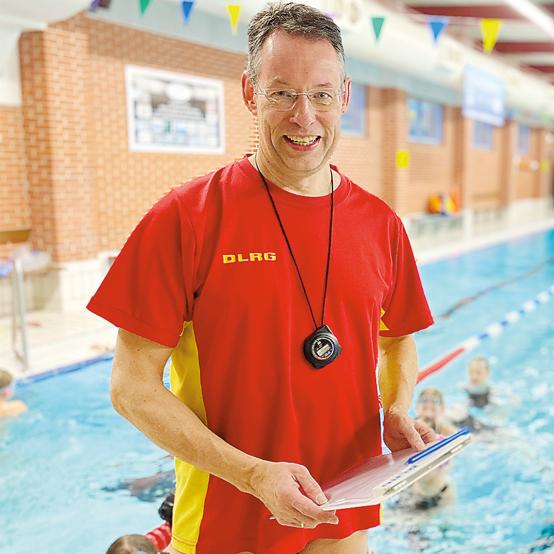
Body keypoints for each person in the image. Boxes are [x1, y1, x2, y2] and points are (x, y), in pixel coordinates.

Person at [87, 3, 436, 553]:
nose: (305, 116)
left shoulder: (380, 225)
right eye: (282, 94)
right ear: (251, 93)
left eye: (321, 94)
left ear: (344, 96)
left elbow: (397, 342)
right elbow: (131, 389)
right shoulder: (186, 218)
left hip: (340, 518)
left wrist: (396, 408)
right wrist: (252, 474)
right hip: (227, 522)